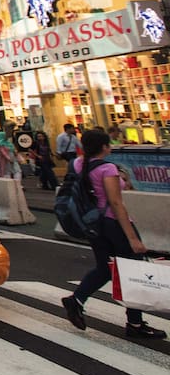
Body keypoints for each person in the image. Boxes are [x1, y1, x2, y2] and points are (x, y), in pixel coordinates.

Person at [62, 129, 166, 340]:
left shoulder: (78, 164)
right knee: (133, 270)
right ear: (104, 147)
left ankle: (77, 299)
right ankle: (135, 323)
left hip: (93, 224)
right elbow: (116, 203)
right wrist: (133, 238)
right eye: (108, 144)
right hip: (113, 223)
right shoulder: (107, 168)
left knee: (104, 267)